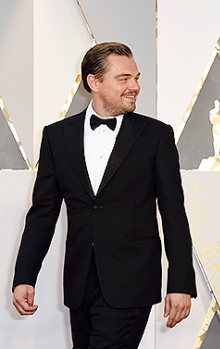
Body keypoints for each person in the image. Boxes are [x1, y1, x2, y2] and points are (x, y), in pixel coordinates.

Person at [12, 42, 196, 349]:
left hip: (131, 282)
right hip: (79, 284)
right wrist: (24, 277)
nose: (135, 86)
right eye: (123, 79)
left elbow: (173, 211)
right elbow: (43, 213)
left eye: (136, 78)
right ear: (93, 83)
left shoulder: (156, 135)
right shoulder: (57, 136)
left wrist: (181, 283)